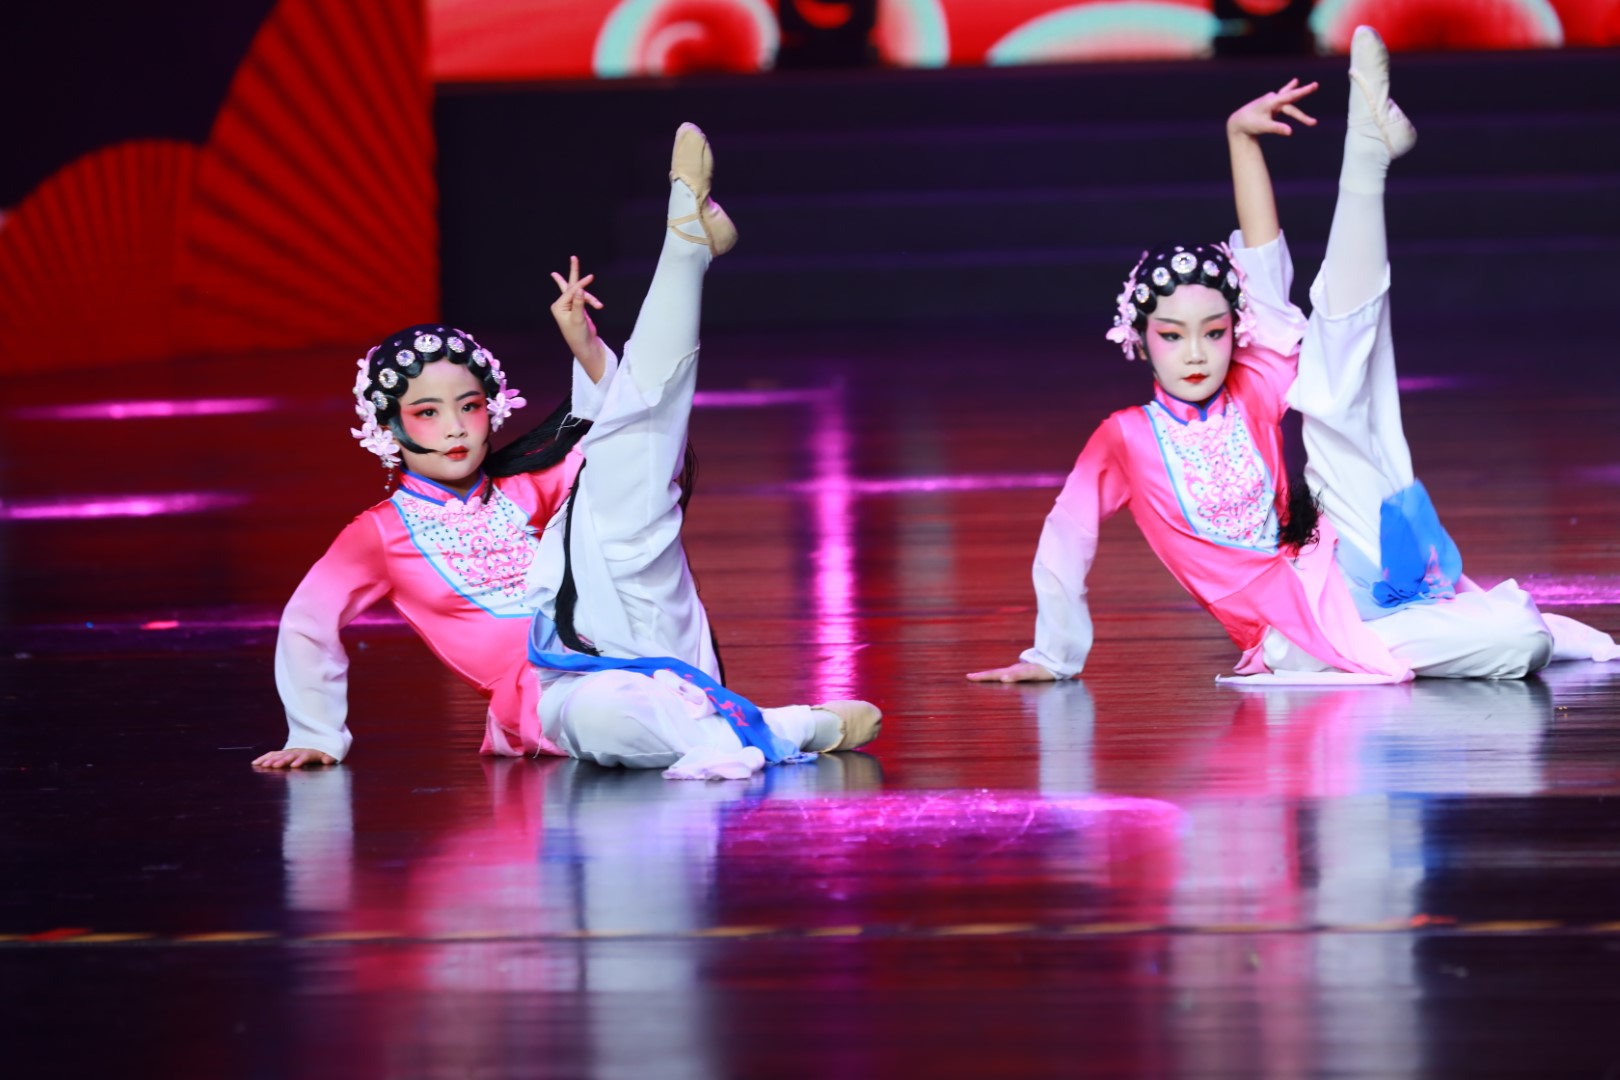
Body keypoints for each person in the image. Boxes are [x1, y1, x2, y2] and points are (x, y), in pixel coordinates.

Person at [969, 28, 1618, 686]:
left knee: (1335, 381)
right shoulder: (1124, 438)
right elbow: (1067, 535)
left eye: (1214, 333)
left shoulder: (1250, 388)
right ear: (1139, 339)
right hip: (1290, 633)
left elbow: (1263, 271)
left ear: (1233, 331)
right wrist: (1051, 655)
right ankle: (1491, 630)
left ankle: (1365, 157)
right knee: (1519, 640)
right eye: (1172, 335)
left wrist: (1240, 139)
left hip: (1344, 560)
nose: (1195, 353)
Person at [257, 124, 879, 777]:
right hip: (559, 691)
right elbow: (307, 621)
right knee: (606, 713)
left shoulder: (525, 487)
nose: (456, 428)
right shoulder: (379, 534)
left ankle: (684, 247)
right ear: (389, 429)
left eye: (469, 406)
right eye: (428, 413)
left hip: (640, 628)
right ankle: (788, 725)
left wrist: (584, 344)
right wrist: (316, 732)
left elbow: (629, 442)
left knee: (625, 465)